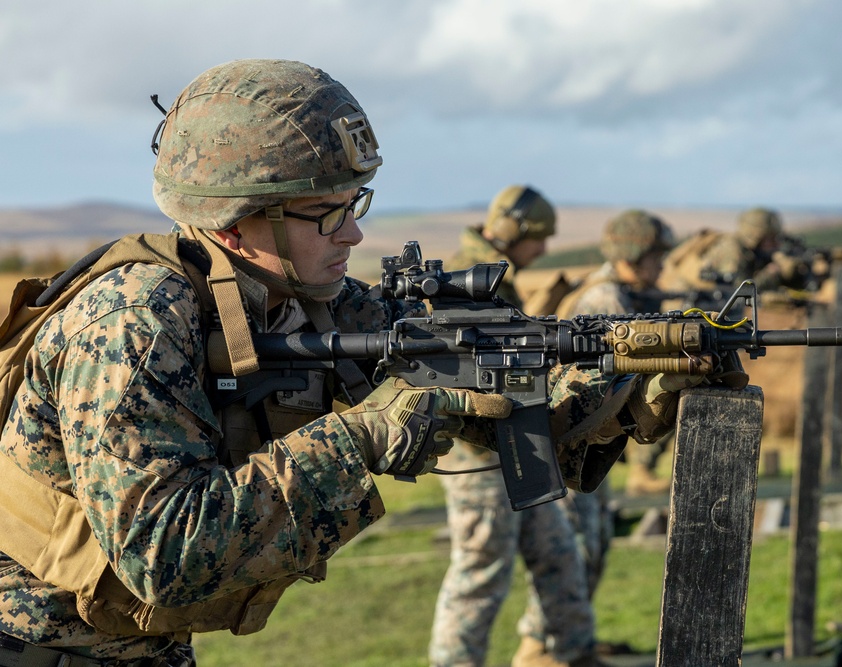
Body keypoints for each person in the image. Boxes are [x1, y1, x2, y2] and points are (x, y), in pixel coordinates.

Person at [0, 60, 682, 666]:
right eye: (325, 213)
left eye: (355, 204)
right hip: (36, 643)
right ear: (237, 220)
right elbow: (165, 552)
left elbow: (482, 394)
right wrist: (362, 435)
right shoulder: (132, 322)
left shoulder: (312, 302)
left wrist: (619, 384)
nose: (353, 232)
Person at [429, 185, 603, 667]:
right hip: (480, 455)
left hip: (514, 448)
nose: (545, 249)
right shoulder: (468, 277)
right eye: (540, 237)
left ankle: (571, 652)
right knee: (480, 573)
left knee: (559, 555)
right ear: (512, 231)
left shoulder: (490, 276)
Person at [554, 210, 676, 550]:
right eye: (656, 257)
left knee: (588, 553)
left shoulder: (610, 290)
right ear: (634, 256)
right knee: (580, 554)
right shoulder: (606, 299)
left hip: (582, 431)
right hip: (574, 435)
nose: (662, 266)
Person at [658, 207, 813, 311]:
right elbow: (736, 293)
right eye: (770, 239)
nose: (775, 244)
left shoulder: (748, 250)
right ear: (755, 236)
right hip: (683, 304)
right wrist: (772, 274)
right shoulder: (732, 251)